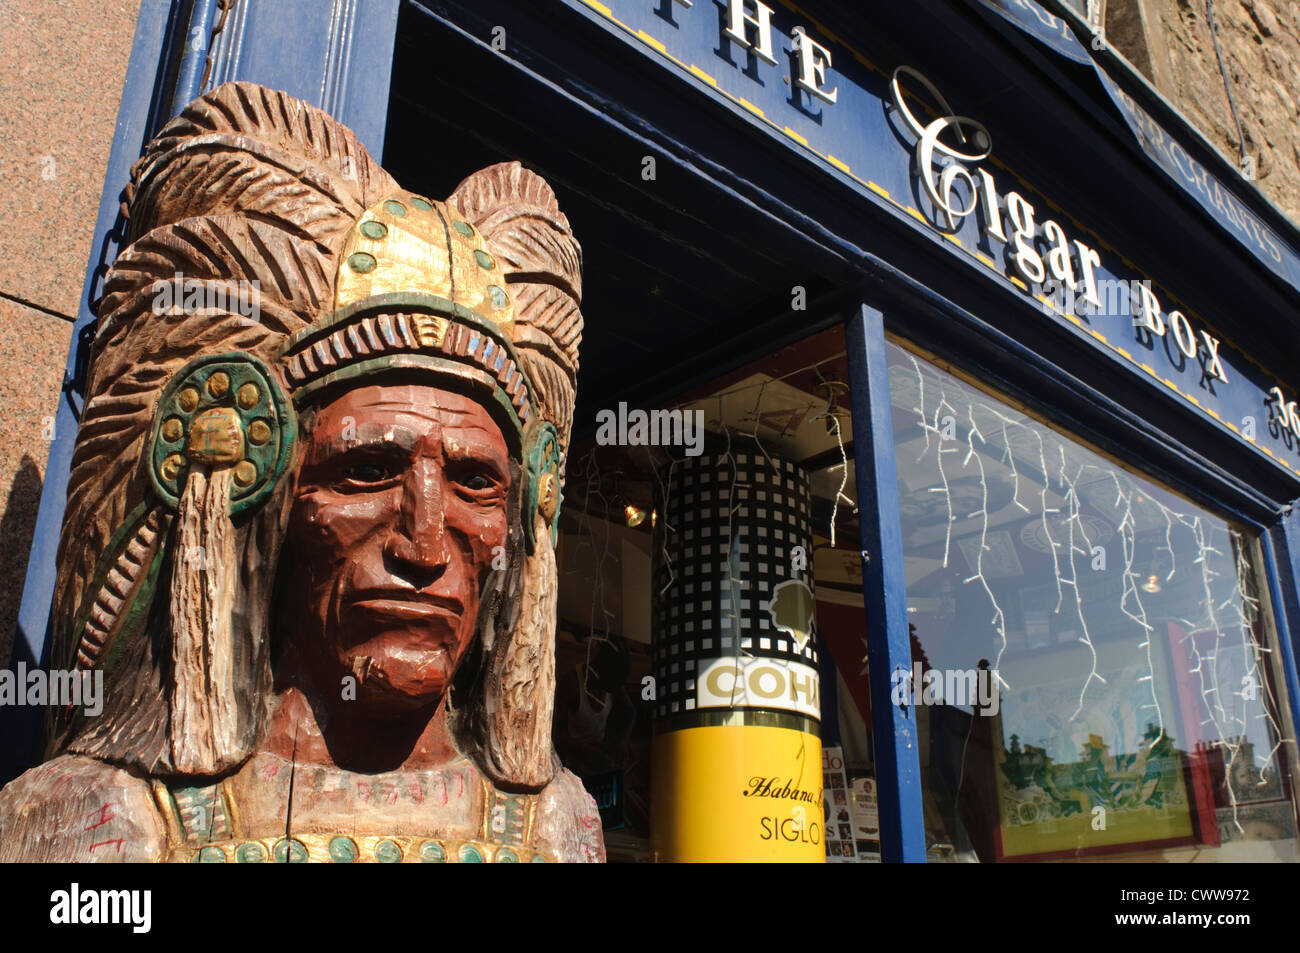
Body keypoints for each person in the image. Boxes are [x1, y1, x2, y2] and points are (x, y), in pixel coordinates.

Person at [0, 82, 603, 863]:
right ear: (260, 488)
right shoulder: (96, 825)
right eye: (367, 469)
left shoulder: (561, 829)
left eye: (474, 482)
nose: (424, 544)